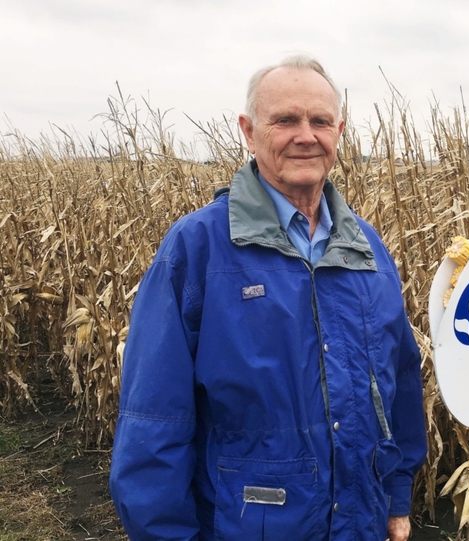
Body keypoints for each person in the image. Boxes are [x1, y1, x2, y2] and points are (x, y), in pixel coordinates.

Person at [109, 55, 427, 541]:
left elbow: (399, 381)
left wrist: (397, 496)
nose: (306, 135)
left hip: (359, 524)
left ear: (338, 131)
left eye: (320, 121)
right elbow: (154, 421)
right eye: (286, 120)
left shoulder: (366, 248)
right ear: (249, 131)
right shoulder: (198, 249)